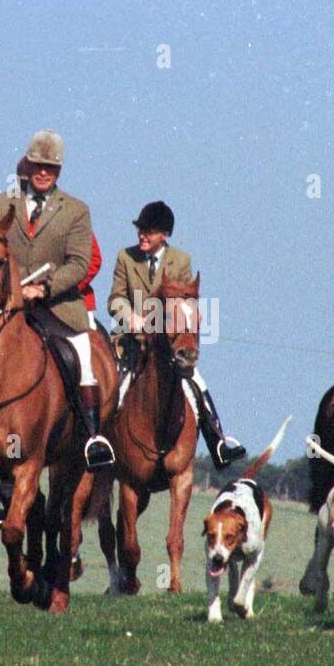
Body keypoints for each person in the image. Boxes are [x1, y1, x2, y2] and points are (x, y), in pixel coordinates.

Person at [0, 130, 115, 471]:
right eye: (38, 165)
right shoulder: (1, 203)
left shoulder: (75, 210)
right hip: (6, 306)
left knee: (84, 361)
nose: (43, 173)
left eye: (51, 168)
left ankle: (92, 438)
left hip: (57, 309)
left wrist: (44, 288)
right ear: (28, 164)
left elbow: (81, 263)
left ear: (59, 172)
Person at [108, 200, 247, 468]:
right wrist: (131, 317)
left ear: (165, 235)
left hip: (166, 346)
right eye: (140, 229)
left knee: (198, 384)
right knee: (116, 387)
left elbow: (185, 303)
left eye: (149, 231)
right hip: (131, 343)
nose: (142, 235)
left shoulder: (181, 261)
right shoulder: (126, 256)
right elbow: (115, 298)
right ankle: (100, 441)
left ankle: (217, 440)